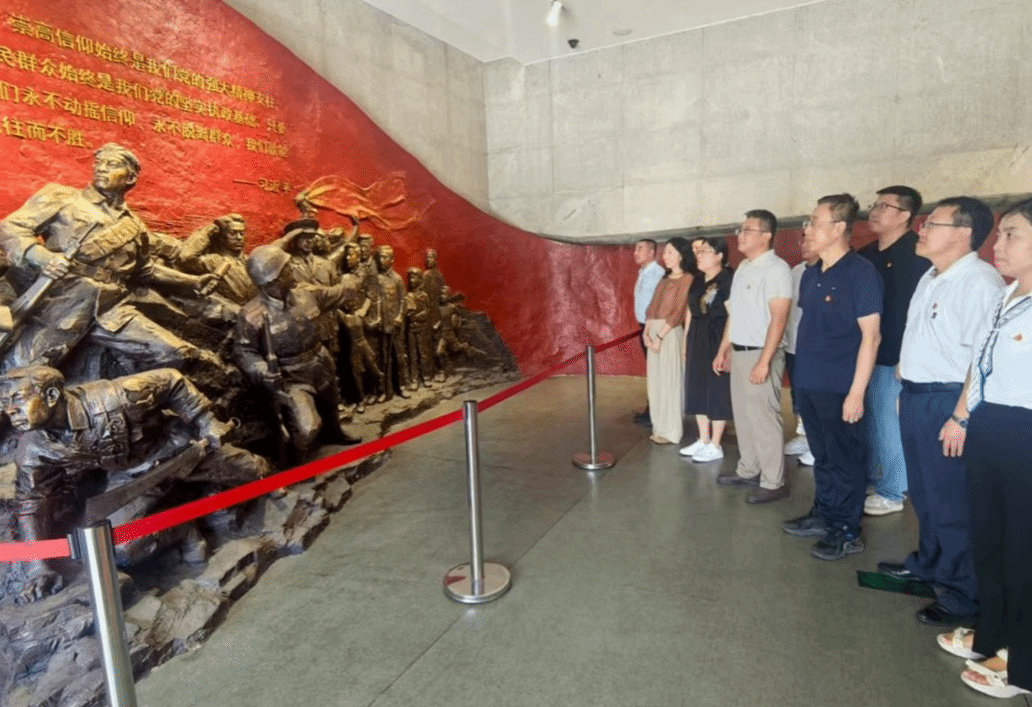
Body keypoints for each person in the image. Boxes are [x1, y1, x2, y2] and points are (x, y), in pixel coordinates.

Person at [0, 364, 269, 603]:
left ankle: (221, 486)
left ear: (51, 395)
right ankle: (182, 528)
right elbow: (31, 503)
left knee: (256, 472)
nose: (9, 410)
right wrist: (37, 567)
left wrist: (206, 421)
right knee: (121, 547)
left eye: (17, 398)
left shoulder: (116, 396)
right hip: (131, 478)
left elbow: (171, 380)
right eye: (4, 402)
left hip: (180, 451)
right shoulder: (34, 448)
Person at [875, 197, 1003, 628]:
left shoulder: (980, 283)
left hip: (948, 402)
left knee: (952, 501)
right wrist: (905, 383)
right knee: (925, 493)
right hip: (917, 396)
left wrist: (961, 415)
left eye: (932, 223)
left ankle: (965, 593)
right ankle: (929, 563)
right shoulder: (931, 276)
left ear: (963, 233)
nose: (922, 230)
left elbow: (982, 360)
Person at [0, 143, 225, 379]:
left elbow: (145, 271)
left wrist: (191, 282)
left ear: (131, 177)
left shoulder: (135, 226)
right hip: (63, 301)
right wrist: (43, 257)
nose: (101, 168)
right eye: (99, 163)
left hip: (112, 308)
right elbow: (10, 228)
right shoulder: (62, 197)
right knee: (21, 373)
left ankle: (115, 395)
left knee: (172, 353)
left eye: (112, 164)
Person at [936, 198, 1032, 699]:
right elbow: (981, 362)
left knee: (1024, 551)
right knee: (990, 543)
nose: (999, 244)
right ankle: (993, 636)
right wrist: (962, 415)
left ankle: (1021, 664)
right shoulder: (1006, 294)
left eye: (1012, 234)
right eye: (1000, 233)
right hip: (991, 424)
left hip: (1026, 431)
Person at [781, 194, 883, 561]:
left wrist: (856, 393)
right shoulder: (812, 273)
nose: (807, 229)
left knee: (845, 459)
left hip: (840, 385)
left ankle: (847, 530)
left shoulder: (861, 273)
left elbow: (871, 337)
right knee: (822, 454)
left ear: (838, 228)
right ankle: (824, 514)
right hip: (809, 380)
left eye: (814, 221)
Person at [234, 241, 362, 460]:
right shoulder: (251, 314)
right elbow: (243, 351)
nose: (292, 268)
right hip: (291, 377)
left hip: (320, 362)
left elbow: (339, 293)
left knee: (331, 403)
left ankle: (335, 433)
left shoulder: (306, 294)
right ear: (273, 280)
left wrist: (353, 279)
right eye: (287, 268)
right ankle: (302, 461)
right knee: (309, 427)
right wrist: (263, 371)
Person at [858, 186, 930, 516]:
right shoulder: (866, 254)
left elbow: (920, 313)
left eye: (883, 206)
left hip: (896, 357)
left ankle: (893, 491)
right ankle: (876, 478)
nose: (874, 212)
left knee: (889, 426)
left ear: (905, 215)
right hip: (866, 353)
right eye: (874, 205)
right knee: (869, 423)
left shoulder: (918, 255)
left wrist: (908, 356)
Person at [712, 210, 793, 503]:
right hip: (740, 350)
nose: (740, 235)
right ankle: (749, 469)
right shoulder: (744, 268)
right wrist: (724, 348)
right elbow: (734, 314)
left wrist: (764, 361)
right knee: (745, 417)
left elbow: (779, 319)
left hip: (762, 352)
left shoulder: (776, 269)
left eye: (748, 230)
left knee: (764, 418)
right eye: (740, 229)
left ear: (766, 236)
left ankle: (773, 482)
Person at [679, 236, 732, 463]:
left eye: (705, 251)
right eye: (698, 252)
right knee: (697, 386)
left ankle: (716, 444)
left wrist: (725, 349)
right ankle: (703, 438)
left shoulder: (728, 280)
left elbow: (733, 316)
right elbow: (690, 311)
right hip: (697, 336)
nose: (699, 256)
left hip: (718, 336)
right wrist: (685, 340)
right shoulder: (698, 279)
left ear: (719, 255)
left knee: (717, 388)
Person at [642, 238, 693, 445]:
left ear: (681, 254)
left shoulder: (687, 279)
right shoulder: (663, 280)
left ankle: (672, 430)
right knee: (656, 383)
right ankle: (659, 426)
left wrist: (660, 336)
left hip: (669, 333)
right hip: (654, 332)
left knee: (671, 382)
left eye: (670, 252)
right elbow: (652, 308)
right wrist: (647, 333)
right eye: (665, 253)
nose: (666, 256)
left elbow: (678, 311)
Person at [783, 238, 818, 467]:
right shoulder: (795, 271)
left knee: (815, 396)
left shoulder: (827, 270)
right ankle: (803, 436)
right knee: (798, 394)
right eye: (802, 240)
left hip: (814, 347)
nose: (804, 244)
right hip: (793, 343)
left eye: (810, 239)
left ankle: (817, 443)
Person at [177, 213, 258, 305]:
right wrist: (208, 231)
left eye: (242, 233)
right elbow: (185, 257)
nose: (239, 238)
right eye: (233, 233)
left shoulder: (251, 261)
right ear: (222, 237)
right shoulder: (212, 261)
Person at [632, 239, 664, 426]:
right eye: (635, 249)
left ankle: (656, 413)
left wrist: (652, 330)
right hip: (644, 326)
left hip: (653, 326)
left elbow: (659, 304)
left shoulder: (657, 273)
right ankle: (651, 409)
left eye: (640, 248)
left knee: (656, 371)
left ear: (652, 252)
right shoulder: (643, 272)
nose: (635, 252)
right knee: (651, 370)